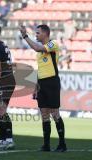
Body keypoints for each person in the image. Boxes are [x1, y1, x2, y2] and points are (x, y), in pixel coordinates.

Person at [20, 24, 67, 152]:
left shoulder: (53, 44)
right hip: (42, 83)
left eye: (38, 33)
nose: (36, 35)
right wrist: (36, 87)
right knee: (44, 114)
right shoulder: (40, 52)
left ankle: (62, 144)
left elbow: (37, 48)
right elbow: (40, 70)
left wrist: (25, 36)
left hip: (52, 82)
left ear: (45, 34)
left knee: (55, 113)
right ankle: (46, 145)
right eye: (35, 33)